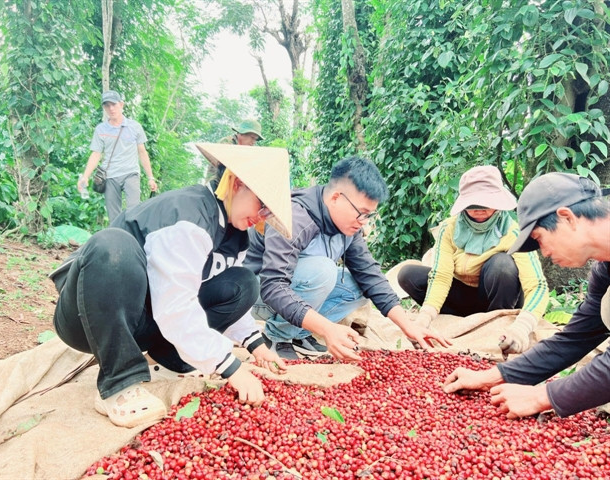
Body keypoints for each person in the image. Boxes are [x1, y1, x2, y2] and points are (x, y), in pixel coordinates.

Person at [50, 143, 293, 428]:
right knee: (112, 245)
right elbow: (175, 304)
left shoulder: (236, 235)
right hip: (88, 315)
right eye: (260, 204)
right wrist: (230, 367)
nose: (261, 217)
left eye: (267, 211)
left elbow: (202, 292)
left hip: (144, 319)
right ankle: (119, 384)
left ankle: (166, 360)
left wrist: (257, 345)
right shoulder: (190, 215)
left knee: (243, 283)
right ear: (237, 183)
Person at [244, 156, 451, 360]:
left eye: (369, 215)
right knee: (323, 271)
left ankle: (299, 334)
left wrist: (409, 326)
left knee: (358, 285)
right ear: (336, 197)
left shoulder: (349, 227)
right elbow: (273, 286)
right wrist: (327, 329)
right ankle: (277, 336)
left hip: (293, 288)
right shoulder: (294, 217)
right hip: (255, 293)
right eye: (361, 213)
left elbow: (370, 275)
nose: (364, 222)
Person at [443, 172, 610, 419]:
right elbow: (576, 338)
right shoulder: (604, 270)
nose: (544, 252)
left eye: (539, 239)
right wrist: (490, 377)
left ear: (566, 218)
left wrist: (542, 396)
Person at [397, 165, 549, 355]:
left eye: (486, 204)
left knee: (502, 264)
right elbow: (441, 276)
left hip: (499, 297)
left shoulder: (513, 232)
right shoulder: (449, 228)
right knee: (408, 274)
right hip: (463, 296)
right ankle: (461, 320)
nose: (479, 210)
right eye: (473, 205)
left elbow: (536, 285)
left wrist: (521, 328)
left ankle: (495, 324)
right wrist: (423, 319)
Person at [78, 90, 158, 223]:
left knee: (134, 212)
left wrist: (150, 177)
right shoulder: (101, 129)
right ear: (104, 108)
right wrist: (85, 176)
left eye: (113, 104)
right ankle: (116, 242)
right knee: (114, 217)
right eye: (107, 105)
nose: (111, 108)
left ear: (121, 105)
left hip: (130, 173)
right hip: (110, 176)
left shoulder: (135, 127)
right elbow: (96, 154)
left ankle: (134, 241)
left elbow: (142, 152)